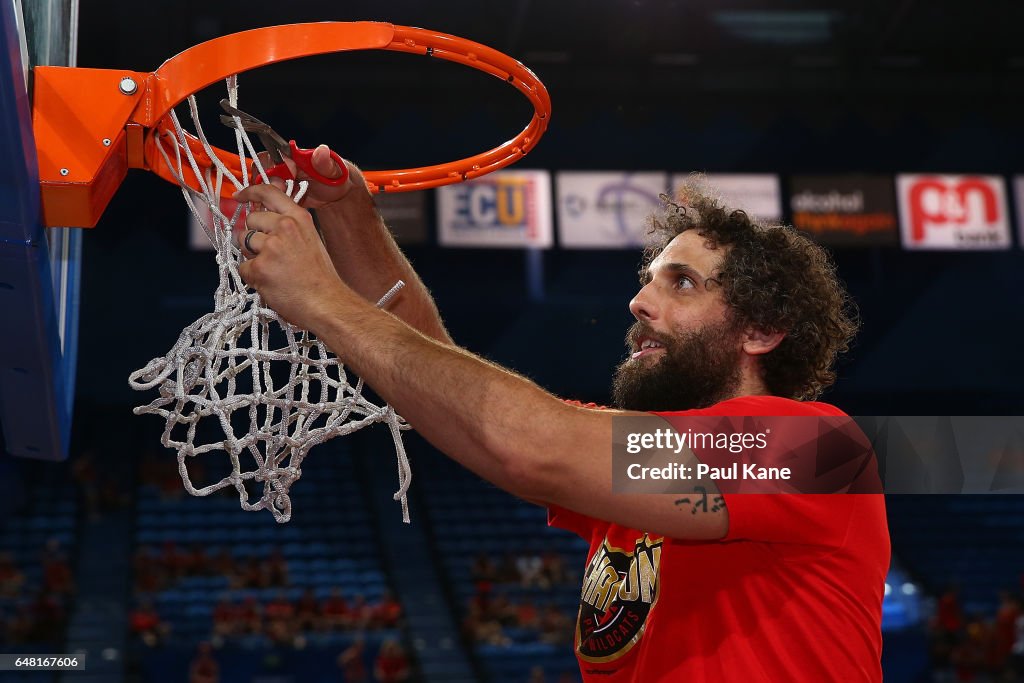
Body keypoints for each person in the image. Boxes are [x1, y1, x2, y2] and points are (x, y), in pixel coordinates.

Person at [232, 148, 889, 682]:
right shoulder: (634, 466)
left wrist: (322, 300)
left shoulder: (816, 448)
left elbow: (527, 441)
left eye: (681, 282)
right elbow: (449, 380)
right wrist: (350, 216)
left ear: (763, 330)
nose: (638, 302)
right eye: (648, 278)